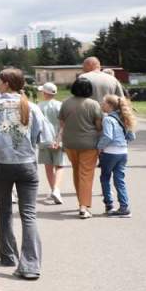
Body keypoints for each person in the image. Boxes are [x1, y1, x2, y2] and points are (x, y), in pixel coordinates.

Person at [0, 68, 52, 280]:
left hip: (1, 164)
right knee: (29, 214)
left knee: (4, 210)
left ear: (6, 83)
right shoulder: (32, 107)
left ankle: (8, 256)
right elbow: (45, 136)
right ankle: (31, 265)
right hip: (27, 165)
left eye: (0, 82)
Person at [58, 77, 103, 219]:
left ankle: (81, 203)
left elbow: (62, 123)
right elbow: (98, 126)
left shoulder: (65, 103)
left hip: (70, 143)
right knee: (86, 175)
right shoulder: (93, 104)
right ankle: (83, 207)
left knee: (76, 171)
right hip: (89, 144)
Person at [98, 94, 136, 218]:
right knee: (119, 180)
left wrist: (99, 147)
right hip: (123, 152)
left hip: (110, 152)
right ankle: (124, 208)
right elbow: (131, 136)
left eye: (103, 103)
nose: (101, 105)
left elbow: (108, 136)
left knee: (105, 178)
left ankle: (109, 206)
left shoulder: (108, 119)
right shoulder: (124, 117)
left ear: (110, 105)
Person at [36, 83, 65, 204]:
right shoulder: (60, 105)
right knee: (59, 166)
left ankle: (53, 189)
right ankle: (56, 190)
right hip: (57, 139)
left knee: (48, 167)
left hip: (43, 140)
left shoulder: (38, 106)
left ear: (44, 93)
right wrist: (58, 139)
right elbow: (63, 125)